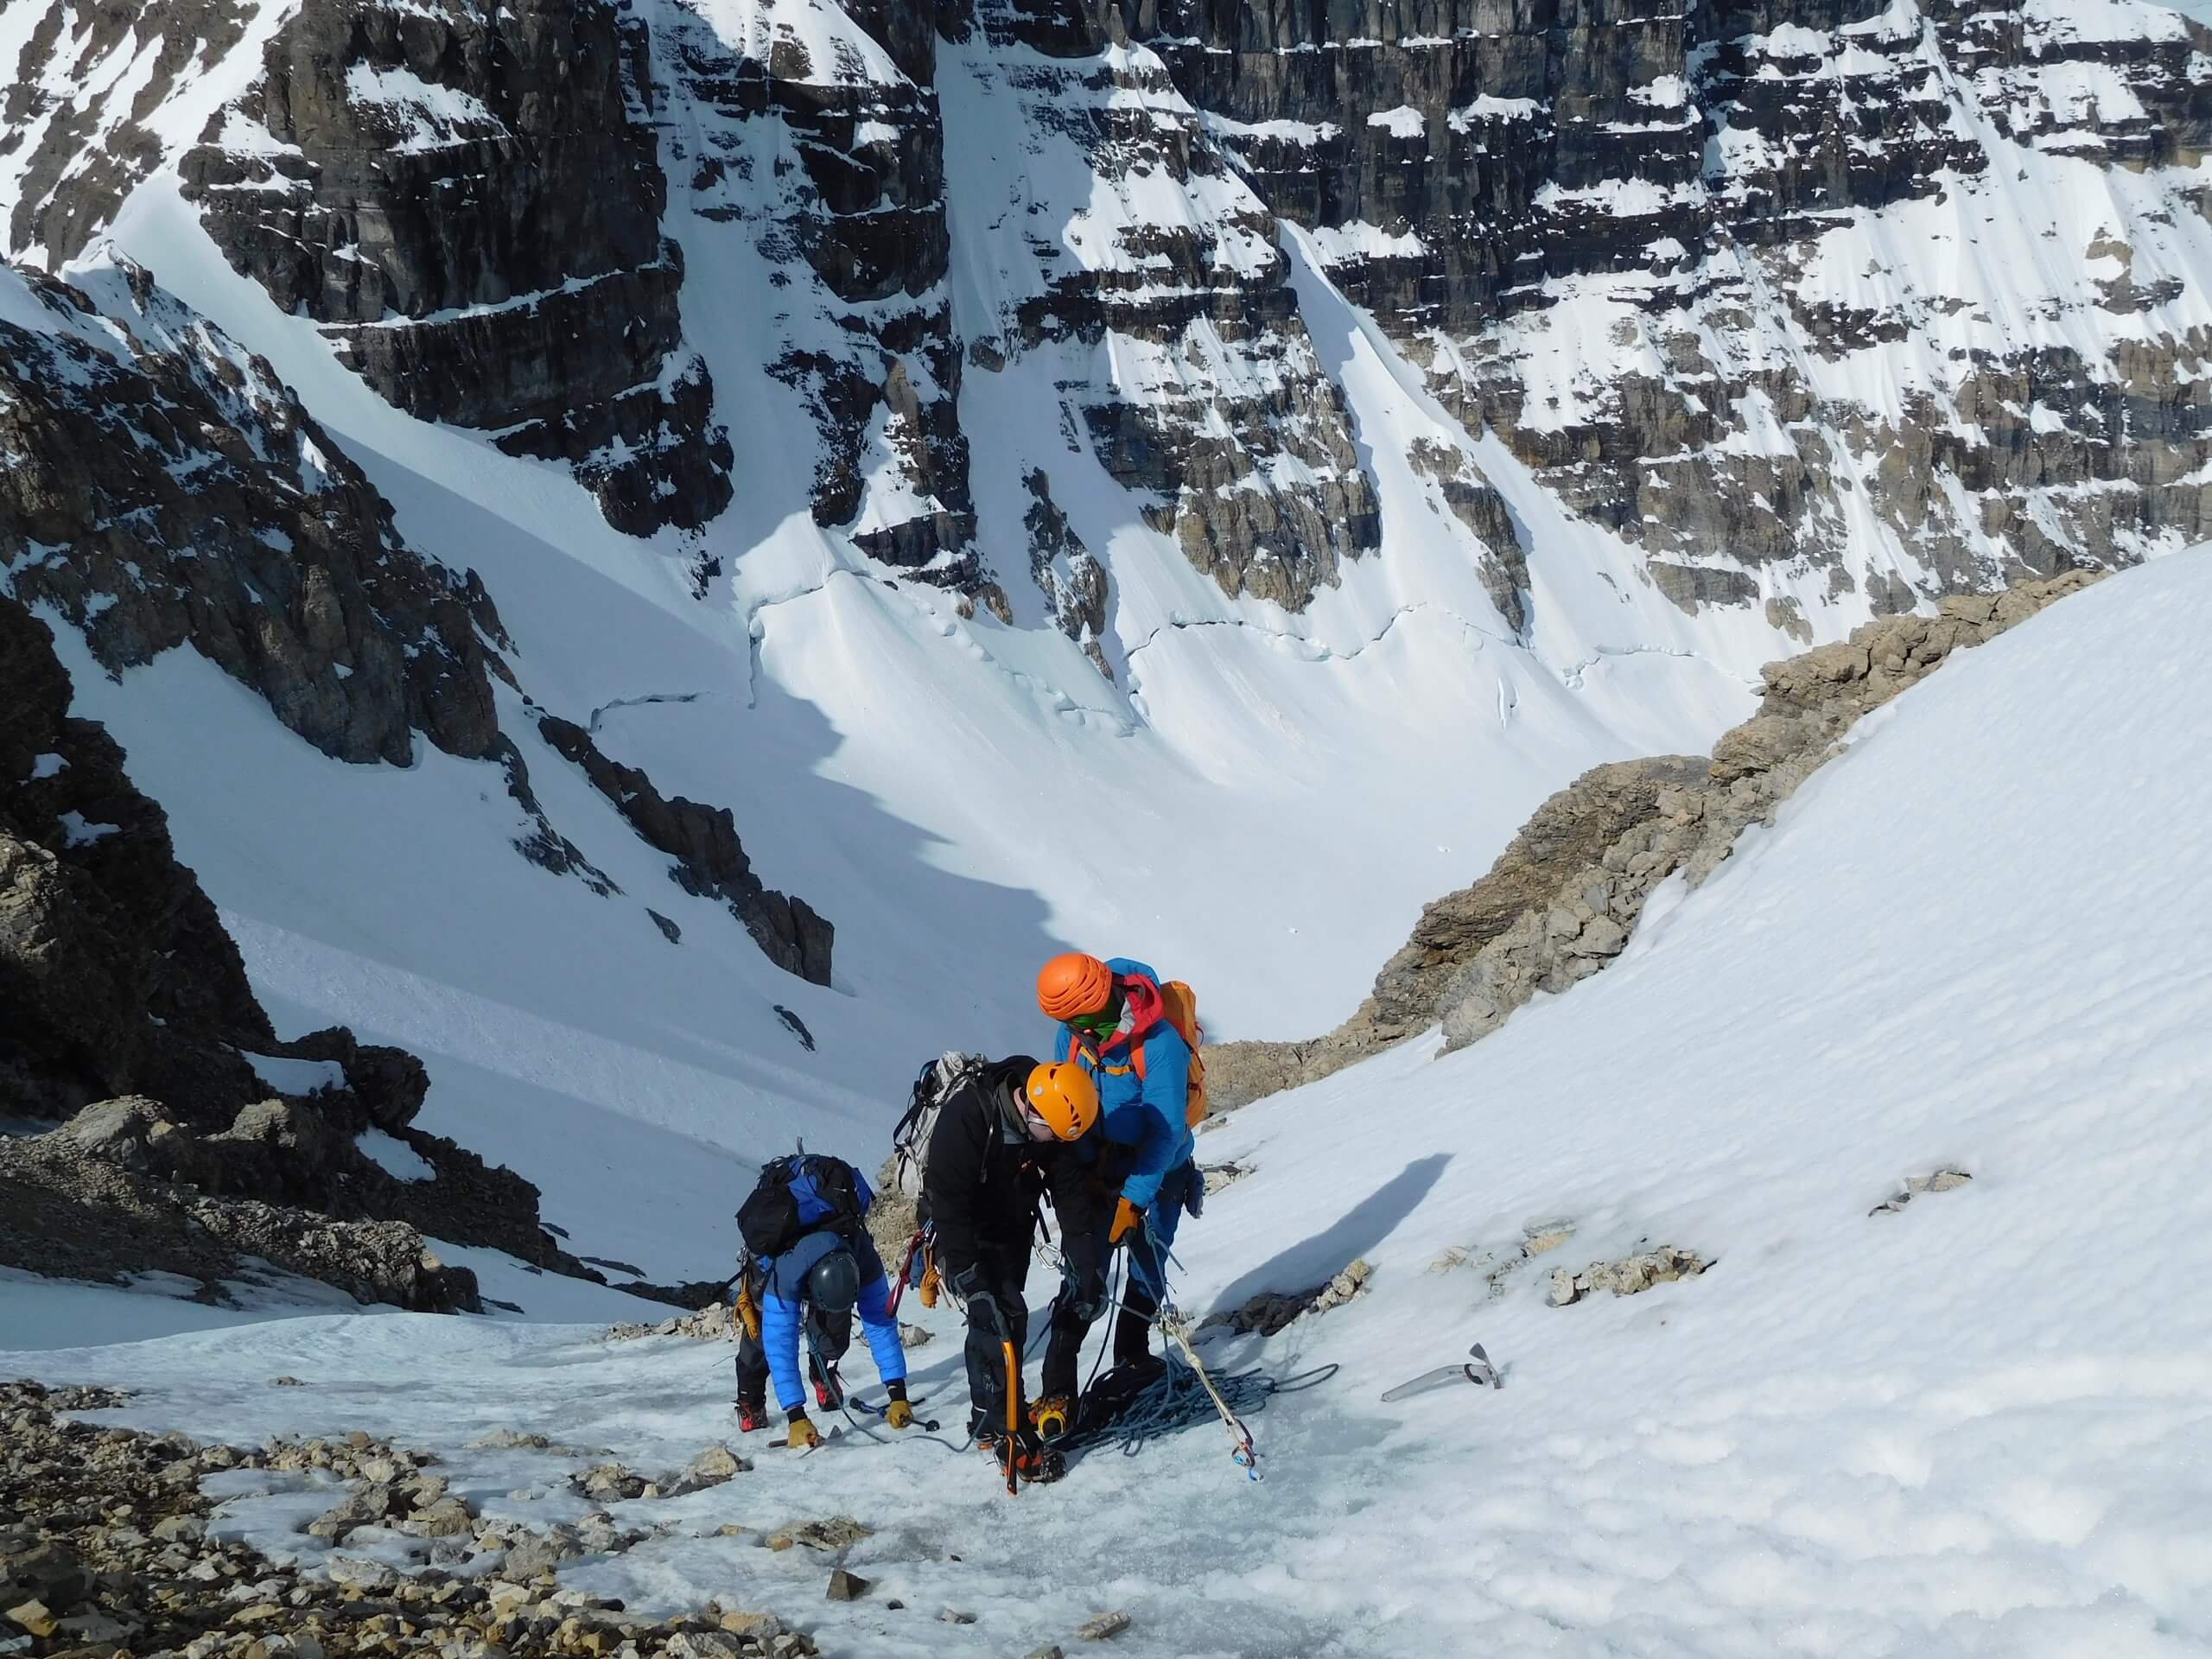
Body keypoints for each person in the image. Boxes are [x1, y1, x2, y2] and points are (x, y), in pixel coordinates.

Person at [919, 1054, 1103, 1479]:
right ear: (1028, 1107)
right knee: (1001, 1318)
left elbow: (1071, 1196)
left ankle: (986, 1417)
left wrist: (1086, 1264)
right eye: (1050, 1136)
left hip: (1009, 1228)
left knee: (998, 1322)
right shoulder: (966, 1117)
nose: (1052, 1144)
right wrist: (968, 1278)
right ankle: (1008, 1432)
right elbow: (948, 1207)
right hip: (959, 1232)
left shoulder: (1050, 1116)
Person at [1037, 952, 1201, 1390]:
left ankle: (1132, 1353)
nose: (1071, 1030)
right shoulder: (1070, 1038)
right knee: (1085, 1271)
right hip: (1103, 1164)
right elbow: (1070, 1104)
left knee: (1149, 1261)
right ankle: (1058, 1389)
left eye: (1075, 1020)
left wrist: (1133, 1198)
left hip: (1164, 1167)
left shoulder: (1160, 1044)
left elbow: (1165, 1134)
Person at [733, 1155, 914, 1449]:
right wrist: (796, 1416)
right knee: (761, 1339)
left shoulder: (863, 1257)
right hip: (773, 1258)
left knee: (834, 1334)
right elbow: (782, 1343)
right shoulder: (786, 1273)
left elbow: (881, 1322)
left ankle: (823, 1373)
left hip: (828, 1253)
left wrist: (898, 1394)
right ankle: (750, 1401)